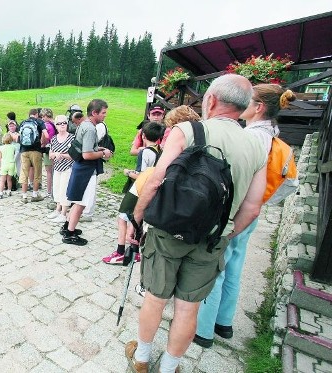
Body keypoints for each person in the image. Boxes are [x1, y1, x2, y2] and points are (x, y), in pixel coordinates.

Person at [124, 74, 268, 373]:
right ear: (242, 108)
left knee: (155, 298)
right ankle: (170, 367)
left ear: (211, 100)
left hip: (168, 232)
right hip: (211, 239)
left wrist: (136, 221)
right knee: (188, 308)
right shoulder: (256, 146)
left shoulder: (187, 131)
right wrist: (226, 234)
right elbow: (253, 208)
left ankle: (141, 359)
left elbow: (154, 182)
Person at [194, 84, 296, 348]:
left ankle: (203, 329)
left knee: (215, 265)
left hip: (235, 211)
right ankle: (224, 322)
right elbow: (288, 184)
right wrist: (262, 202)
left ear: (258, 107)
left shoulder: (250, 137)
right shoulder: (275, 138)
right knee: (235, 266)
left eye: (248, 101)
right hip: (253, 212)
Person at [103, 121, 164, 264]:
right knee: (138, 221)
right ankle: (136, 251)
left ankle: (120, 251)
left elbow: (142, 175)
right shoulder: (159, 151)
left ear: (143, 135)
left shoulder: (145, 152)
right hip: (150, 191)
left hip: (138, 190)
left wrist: (128, 172)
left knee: (123, 218)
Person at [62, 99, 111, 245]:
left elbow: (85, 148)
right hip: (86, 170)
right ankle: (70, 234)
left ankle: (67, 227)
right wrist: (104, 153)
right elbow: (87, 155)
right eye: (103, 113)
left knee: (77, 200)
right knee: (81, 202)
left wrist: (99, 149)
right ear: (94, 113)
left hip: (80, 167)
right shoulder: (90, 129)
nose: (105, 116)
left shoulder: (84, 124)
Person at [47, 115, 75, 224]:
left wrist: (62, 155)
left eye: (64, 123)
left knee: (64, 190)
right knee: (57, 189)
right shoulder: (54, 138)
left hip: (68, 168)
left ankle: (64, 213)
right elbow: (50, 154)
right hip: (57, 168)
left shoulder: (72, 138)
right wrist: (54, 154)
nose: (62, 125)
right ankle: (57, 210)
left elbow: (74, 155)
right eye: (59, 123)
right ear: (56, 126)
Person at [19, 109, 49, 203]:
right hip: (36, 150)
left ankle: (24, 196)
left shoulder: (23, 122)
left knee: (24, 172)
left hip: (24, 150)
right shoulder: (39, 121)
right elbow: (47, 135)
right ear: (36, 114)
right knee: (37, 172)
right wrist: (43, 143)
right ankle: (35, 195)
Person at [41, 108, 57, 198]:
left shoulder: (46, 125)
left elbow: (45, 139)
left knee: (49, 171)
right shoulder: (56, 123)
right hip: (57, 148)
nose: (42, 118)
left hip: (49, 149)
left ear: (47, 115)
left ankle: (49, 191)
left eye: (43, 116)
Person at [0, 133, 18, 198]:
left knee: (2, 180)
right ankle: (9, 191)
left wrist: (0, 166)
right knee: (9, 179)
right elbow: (14, 154)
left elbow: (0, 158)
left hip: (4, 164)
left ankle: (1, 192)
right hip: (11, 164)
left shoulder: (1, 148)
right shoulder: (13, 147)